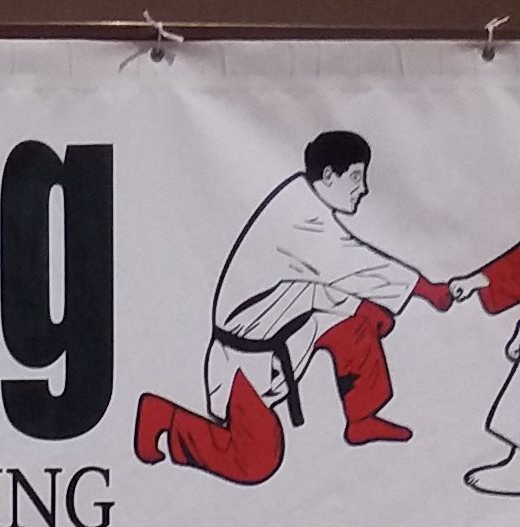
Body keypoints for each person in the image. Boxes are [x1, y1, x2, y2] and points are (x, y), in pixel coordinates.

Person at [134, 130, 452, 482]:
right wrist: (427, 290)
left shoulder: (306, 206)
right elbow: (354, 263)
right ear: (328, 176)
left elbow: (311, 283)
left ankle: (361, 419)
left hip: (290, 324)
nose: (363, 189)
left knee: (361, 324)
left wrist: (364, 309)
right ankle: (165, 418)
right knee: (256, 460)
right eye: (356, 177)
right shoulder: (299, 218)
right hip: (245, 357)